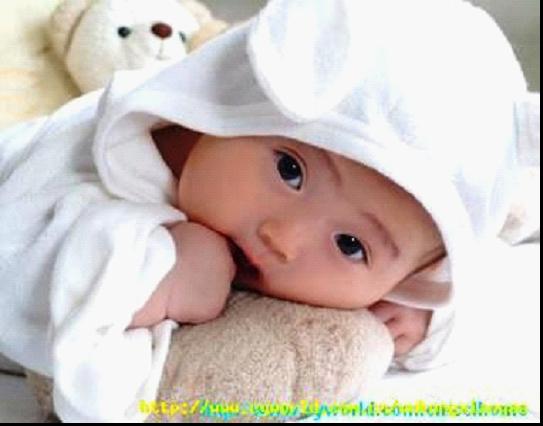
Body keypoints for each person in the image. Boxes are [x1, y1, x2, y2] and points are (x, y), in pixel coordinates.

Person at [0, 0, 536, 422]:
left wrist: (426, 321)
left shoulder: (417, 249)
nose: (283, 237)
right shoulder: (109, 151)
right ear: (228, 108)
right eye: (290, 170)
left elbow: (479, 285)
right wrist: (152, 267)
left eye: (351, 245)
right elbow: (14, 263)